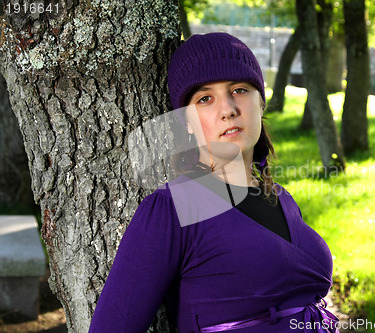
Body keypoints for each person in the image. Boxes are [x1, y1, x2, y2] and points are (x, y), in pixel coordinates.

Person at [89, 32, 339, 333]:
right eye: (205, 98)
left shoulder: (280, 198)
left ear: (261, 103)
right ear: (188, 123)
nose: (228, 109)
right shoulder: (173, 208)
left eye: (240, 90)